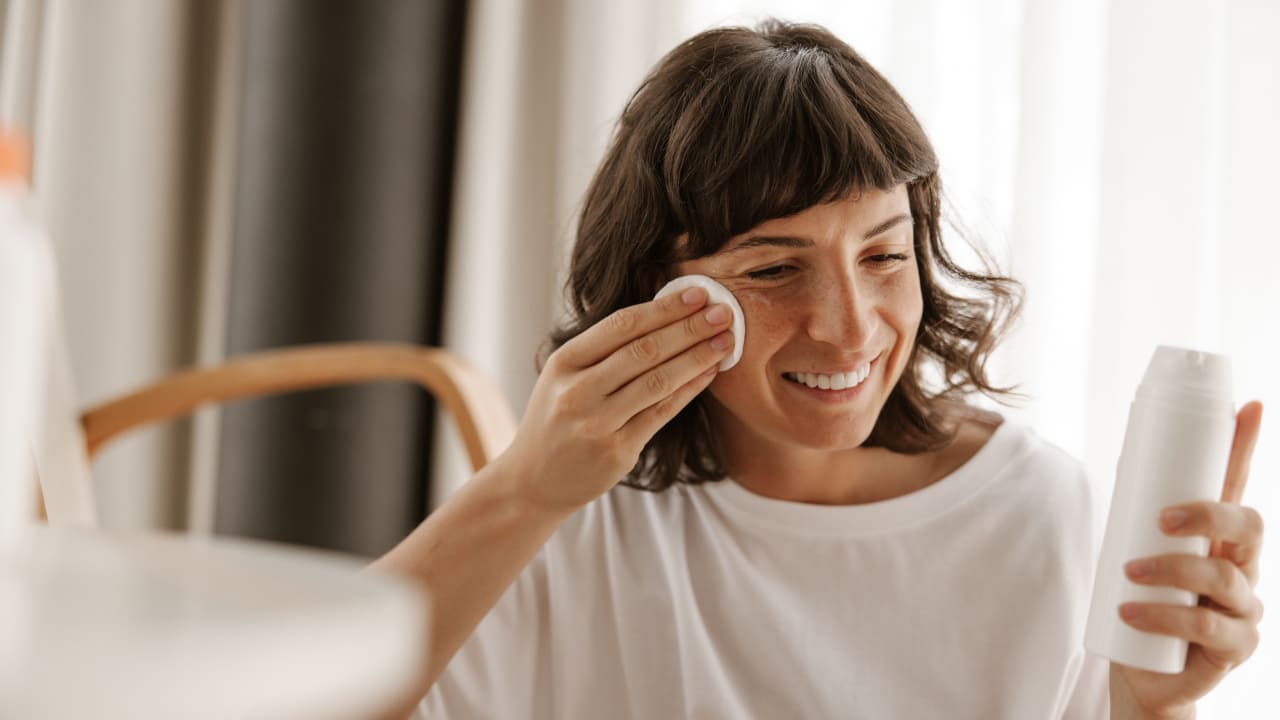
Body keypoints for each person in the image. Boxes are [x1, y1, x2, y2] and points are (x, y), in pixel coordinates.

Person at [375, 19, 1266, 719]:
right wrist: (524, 492)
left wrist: (1153, 711)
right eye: (773, 269)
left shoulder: (1037, 512)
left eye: (884, 257)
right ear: (659, 293)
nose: (849, 334)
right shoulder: (581, 526)